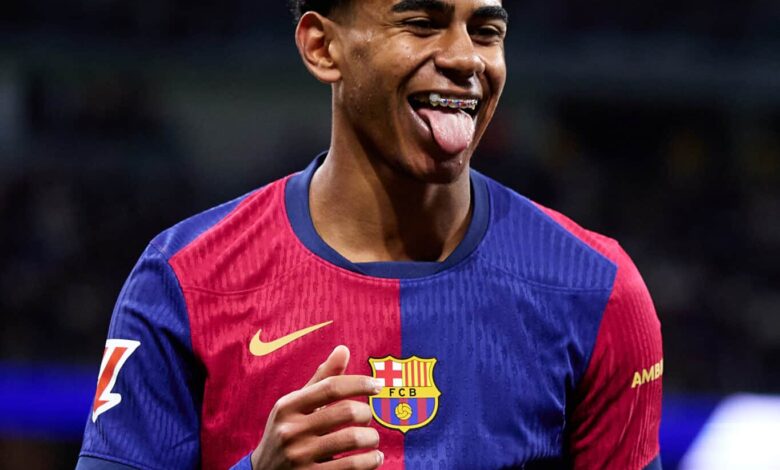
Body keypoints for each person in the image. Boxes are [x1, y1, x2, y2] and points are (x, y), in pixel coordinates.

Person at [76, 0, 663, 468]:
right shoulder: (183, 278)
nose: (466, 58)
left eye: (486, 30)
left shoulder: (597, 289)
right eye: (421, 22)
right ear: (321, 46)